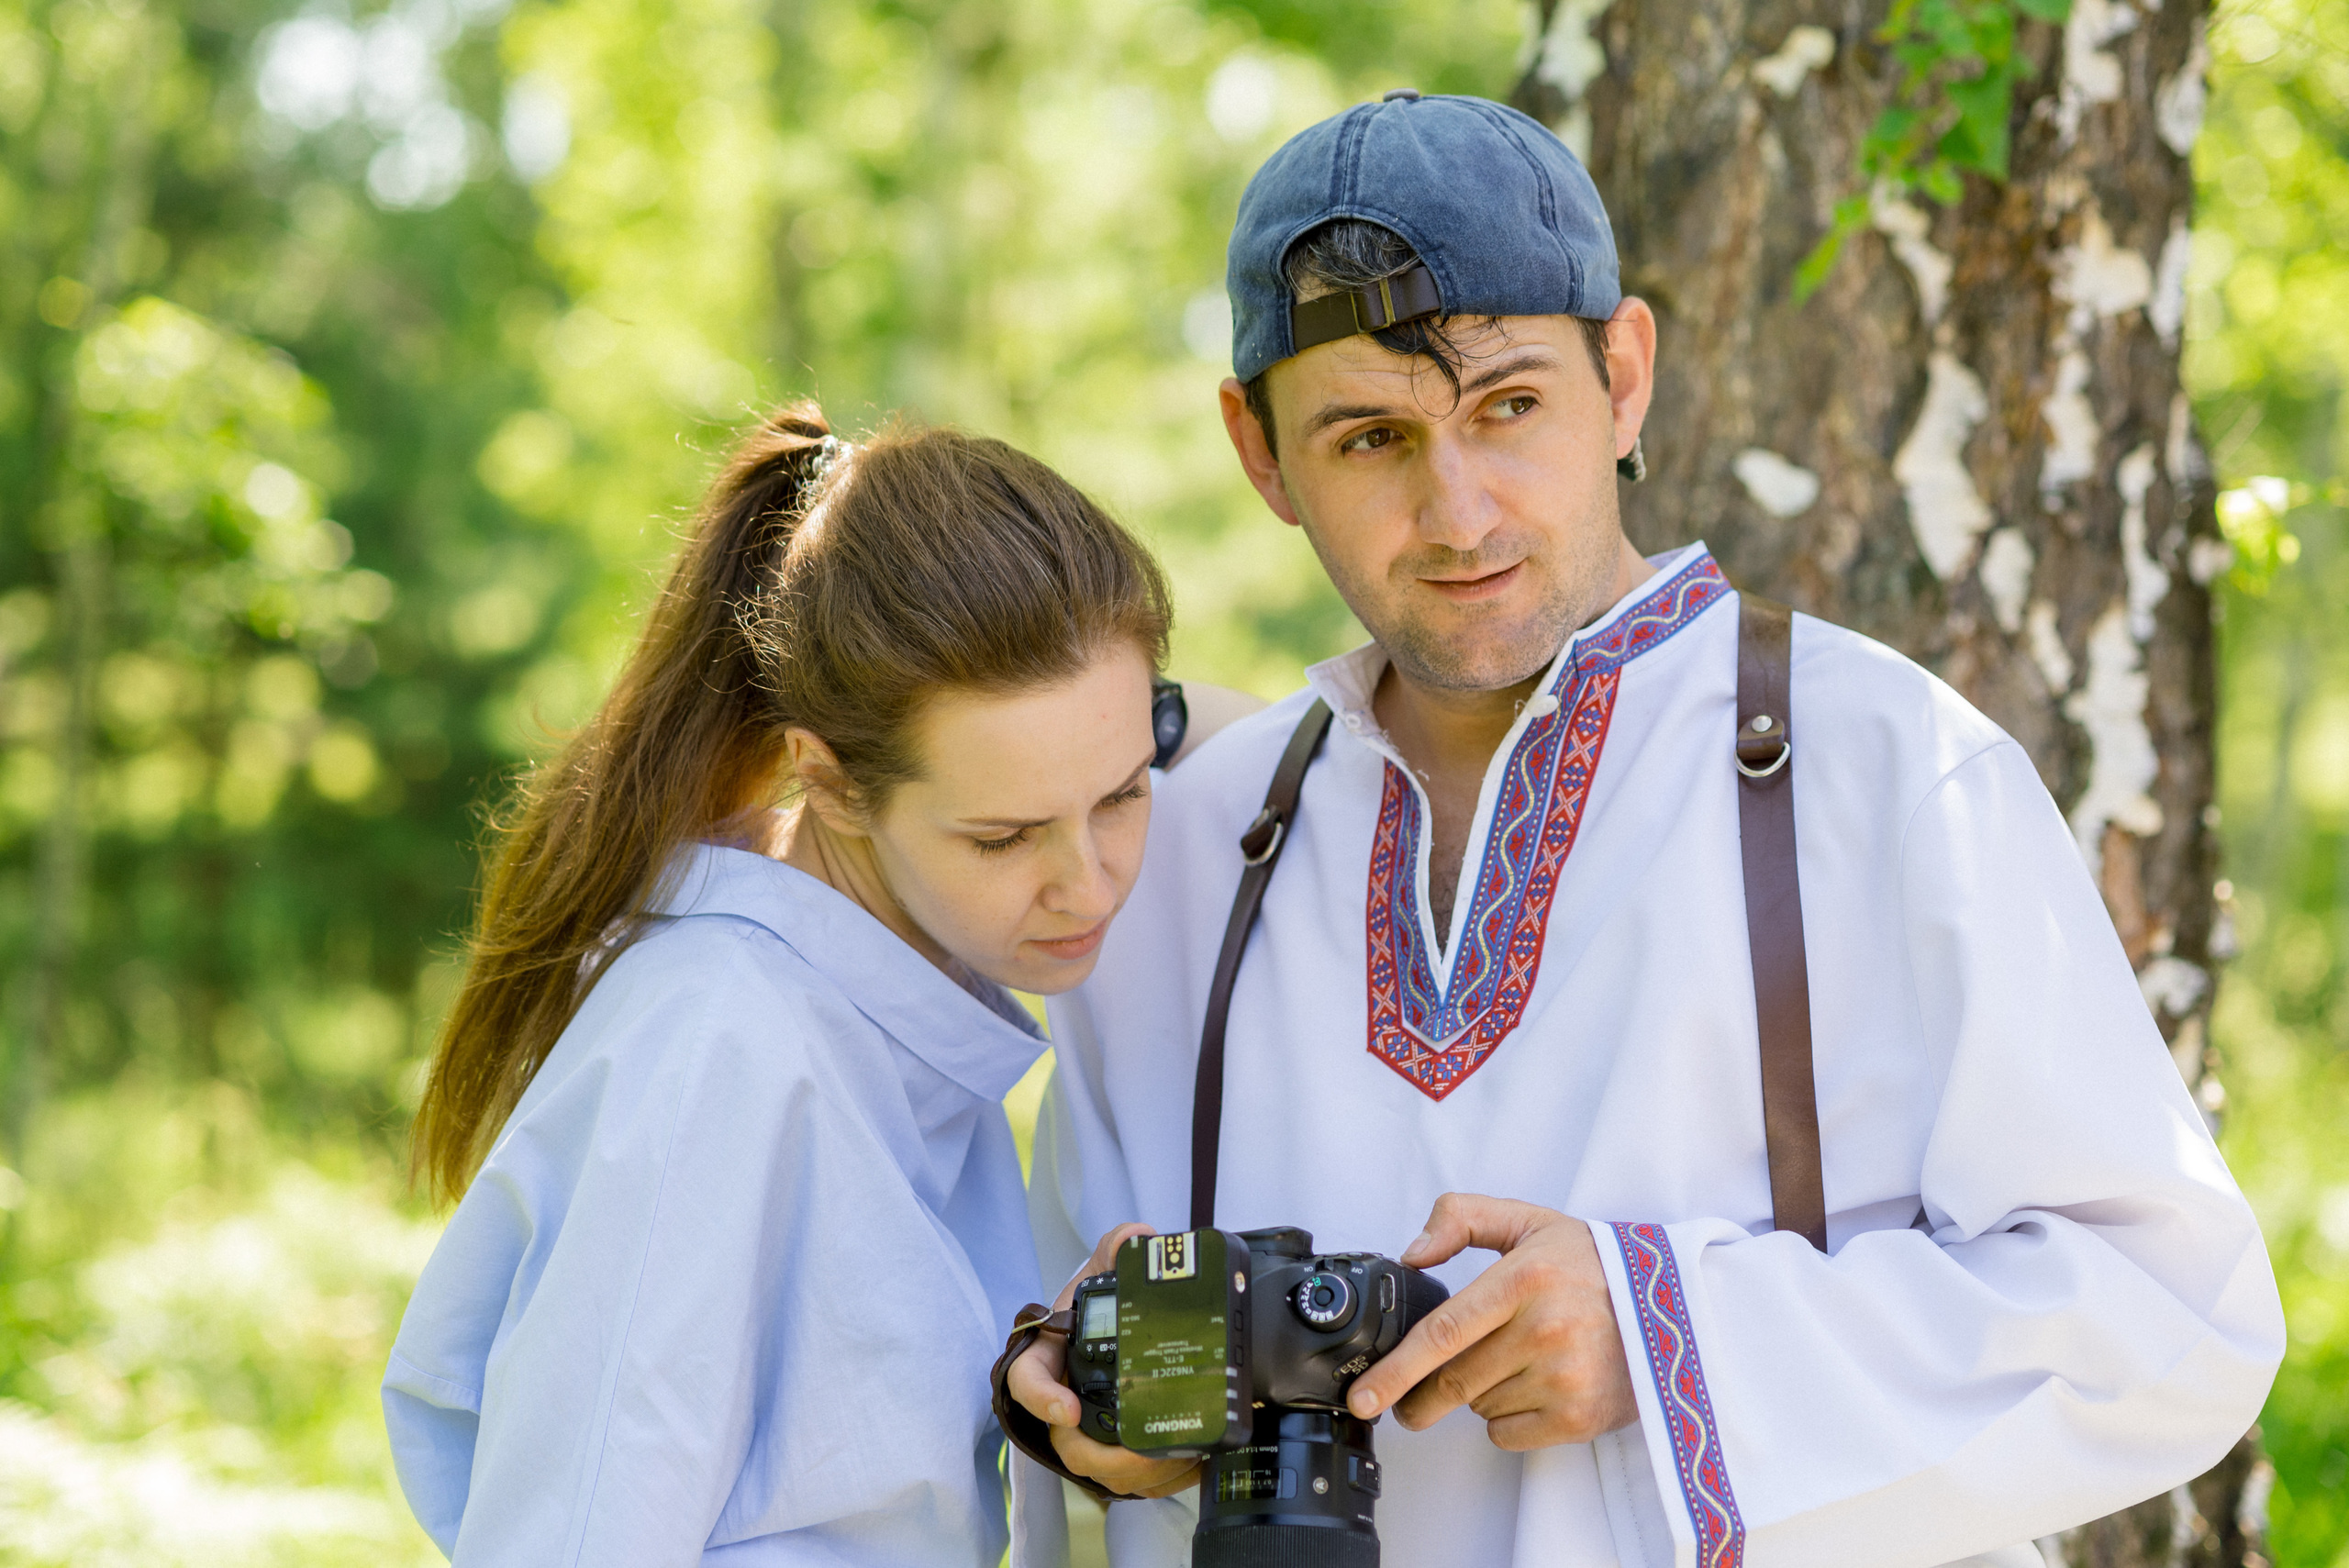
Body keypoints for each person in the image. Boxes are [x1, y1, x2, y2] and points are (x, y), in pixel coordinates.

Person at [1008, 95, 2284, 1566]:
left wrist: (1673, 1338)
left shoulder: (1888, 770)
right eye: (1369, 439)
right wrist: (1101, 1418)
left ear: (1623, 376)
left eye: (1508, 406)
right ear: (1261, 455)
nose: (1458, 510)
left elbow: (2173, 1315)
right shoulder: (1175, 859)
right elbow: (1073, 1367)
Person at [382, 405, 1243, 1565]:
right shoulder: (718, 1045)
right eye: (1003, 836)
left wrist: (1058, 1358)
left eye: (1126, 792)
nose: (1088, 883)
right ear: (830, 783)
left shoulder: (904, 1013)